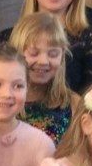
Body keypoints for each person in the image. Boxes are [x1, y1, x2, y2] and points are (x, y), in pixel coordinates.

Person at [8, 11, 82, 145]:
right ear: (16, 53)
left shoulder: (74, 104)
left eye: (53, 54)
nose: (43, 61)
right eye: (34, 53)